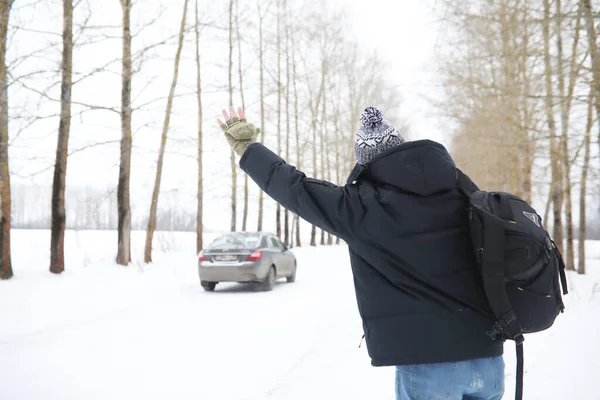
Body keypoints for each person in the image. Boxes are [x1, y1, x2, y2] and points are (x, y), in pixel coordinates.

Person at [217, 106, 505, 400]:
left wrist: (247, 147)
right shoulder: (463, 192)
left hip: (431, 363)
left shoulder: (360, 208)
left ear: (368, 164)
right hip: (489, 358)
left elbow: (295, 188)